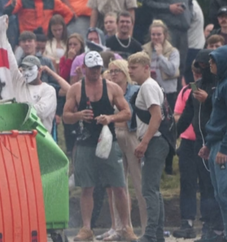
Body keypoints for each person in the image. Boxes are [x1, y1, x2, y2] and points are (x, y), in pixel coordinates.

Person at [63, 51, 135, 242]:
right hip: (85, 141)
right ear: (84, 68)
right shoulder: (76, 89)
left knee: (119, 185)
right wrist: (79, 115)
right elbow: (66, 116)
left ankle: (126, 227)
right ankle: (86, 228)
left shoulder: (111, 87)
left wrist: (110, 117)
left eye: (97, 69)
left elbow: (127, 112)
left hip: (107, 141)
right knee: (87, 186)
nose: (95, 73)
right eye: (91, 69)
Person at [175, 50, 224, 241]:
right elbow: (188, 113)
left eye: (205, 65)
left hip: (217, 141)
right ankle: (208, 226)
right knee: (204, 187)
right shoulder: (198, 85)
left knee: (216, 188)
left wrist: (208, 99)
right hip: (200, 142)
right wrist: (174, 135)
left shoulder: (220, 85)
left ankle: (219, 228)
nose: (202, 70)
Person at [127, 51, 170, 242]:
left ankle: (151, 233)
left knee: (149, 190)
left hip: (155, 141)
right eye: (129, 67)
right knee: (154, 189)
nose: (130, 71)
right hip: (156, 141)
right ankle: (157, 234)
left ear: (146, 68)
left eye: (134, 68)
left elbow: (157, 116)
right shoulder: (148, 86)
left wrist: (144, 143)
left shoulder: (148, 87)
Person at [106, 59, 147, 237]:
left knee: (140, 183)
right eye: (111, 71)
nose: (113, 74)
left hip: (132, 134)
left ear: (125, 73)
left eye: (117, 71)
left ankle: (147, 228)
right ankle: (121, 227)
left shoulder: (136, 90)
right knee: (117, 184)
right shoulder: (106, 90)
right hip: (114, 135)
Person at [143, 0, 192, 91]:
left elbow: (190, 2)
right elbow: (147, 1)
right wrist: (168, 8)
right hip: (166, 30)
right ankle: (164, 101)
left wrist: (189, 15)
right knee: (165, 69)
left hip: (183, 29)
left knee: (181, 67)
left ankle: (178, 105)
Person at [198, 47, 227, 241]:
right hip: (215, 143)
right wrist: (208, 144)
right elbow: (217, 118)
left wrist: (224, 148)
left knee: (225, 192)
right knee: (218, 194)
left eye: (214, 61)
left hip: (223, 147)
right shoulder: (220, 83)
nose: (210, 65)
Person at [7, 52, 57, 134]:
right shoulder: (18, 82)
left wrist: (17, 109)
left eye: (30, 69)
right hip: (19, 137)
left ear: (39, 70)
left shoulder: (48, 90)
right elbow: (10, 61)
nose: (26, 73)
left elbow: (41, 112)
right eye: (24, 69)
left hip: (40, 138)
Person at [58, 33, 85, 156]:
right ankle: (69, 149)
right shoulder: (64, 59)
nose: (72, 47)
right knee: (68, 122)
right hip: (67, 93)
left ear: (81, 46)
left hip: (81, 92)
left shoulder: (85, 59)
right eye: (70, 44)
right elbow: (63, 76)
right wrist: (69, 60)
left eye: (75, 44)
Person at [143, 20, 180, 109]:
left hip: (168, 92)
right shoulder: (145, 50)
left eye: (159, 34)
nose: (156, 37)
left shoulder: (173, 51)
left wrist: (160, 55)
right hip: (150, 91)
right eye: (153, 34)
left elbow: (171, 71)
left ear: (165, 35)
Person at [186, 0, 206, 84]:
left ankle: (192, 95)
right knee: (194, 75)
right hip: (197, 46)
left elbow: (183, 23)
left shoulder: (191, 6)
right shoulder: (196, 5)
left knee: (191, 76)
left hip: (192, 48)